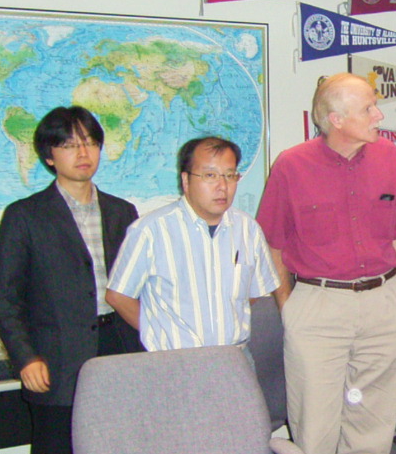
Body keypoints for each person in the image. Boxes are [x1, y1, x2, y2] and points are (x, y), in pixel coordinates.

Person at [257, 73, 396, 454]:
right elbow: (272, 246)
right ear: (336, 119)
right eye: (368, 109)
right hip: (318, 306)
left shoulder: (390, 157)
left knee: (374, 424)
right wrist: (289, 308)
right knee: (314, 427)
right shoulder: (291, 165)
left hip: (386, 303)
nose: (379, 115)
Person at [0, 106, 141, 454]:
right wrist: (25, 357)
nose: (83, 153)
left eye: (90, 143)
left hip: (119, 348)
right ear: (48, 155)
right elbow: (7, 299)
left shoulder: (123, 212)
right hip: (56, 357)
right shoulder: (25, 216)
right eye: (70, 145)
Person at [106, 136, 277, 351]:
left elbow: (255, 292)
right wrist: (157, 332)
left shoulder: (248, 229)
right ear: (186, 181)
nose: (222, 186)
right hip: (176, 358)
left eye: (230, 175)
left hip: (234, 356)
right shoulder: (150, 230)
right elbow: (118, 295)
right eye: (210, 175)